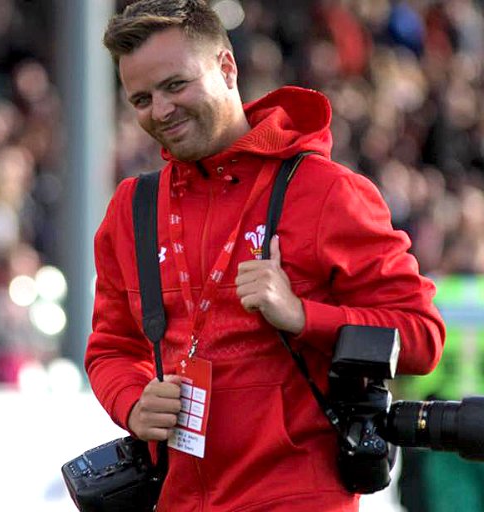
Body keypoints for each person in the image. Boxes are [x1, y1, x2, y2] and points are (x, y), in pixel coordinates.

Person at [85, 1, 446, 511]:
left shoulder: (328, 192)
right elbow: (111, 349)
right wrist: (133, 401)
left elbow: (421, 336)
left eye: (175, 85)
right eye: (141, 99)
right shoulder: (132, 209)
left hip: (297, 497)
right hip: (178, 498)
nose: (160, 110)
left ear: (226, 67)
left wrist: (305, 317)